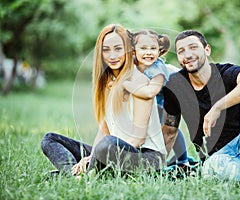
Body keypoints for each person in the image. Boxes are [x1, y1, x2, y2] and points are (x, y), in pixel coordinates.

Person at [41, 24, 166, 176]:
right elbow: (104, 130)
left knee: (107, 144)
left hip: (146, 157)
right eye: (106, 50)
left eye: (118, 49)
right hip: (112, 150)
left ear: (128, 50)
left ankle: (84, 174)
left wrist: (94, 157)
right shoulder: (107, 83)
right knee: (50, 139)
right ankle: (74, 175)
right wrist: (91, 156)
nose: (112, 56)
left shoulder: (138, 81)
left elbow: (138, 139)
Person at [162, 30, 240, 182]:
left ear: (207, 50)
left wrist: (217, 107)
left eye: (193, 47)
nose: (187, 55)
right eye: (181, 51)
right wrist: (158, 168)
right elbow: (170, 131)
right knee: (213, 166)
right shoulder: (176, 85)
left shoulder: (225, 72)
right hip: (219, 159)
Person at [122, 29, 192, 168]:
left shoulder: (157, 68)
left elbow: (151, 92)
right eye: (143, 48)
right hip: (157, 100)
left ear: (159, 51)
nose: (148, 52)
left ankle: (182, 162)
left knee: (169, 129)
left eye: (153, 48)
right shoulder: (133, 63)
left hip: (173, 95)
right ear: (133, 50)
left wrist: (124, 85)